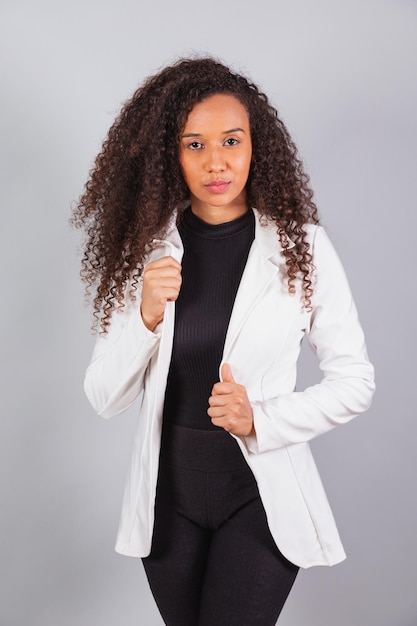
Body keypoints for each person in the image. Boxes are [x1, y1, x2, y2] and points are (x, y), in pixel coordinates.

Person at [72, 57, 375, 625]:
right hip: (170, 506)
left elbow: (355, 382)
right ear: (171, 156)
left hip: (258, 500)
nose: (216, 161)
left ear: (256, 146)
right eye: (194, 144)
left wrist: (260, 417)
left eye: (231, 140)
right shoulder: (146, 251)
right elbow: (103, 396)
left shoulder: (300, 247)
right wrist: (144, 315)